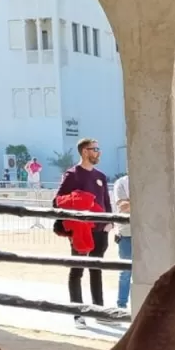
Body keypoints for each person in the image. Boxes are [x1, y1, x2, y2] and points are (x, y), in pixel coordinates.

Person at [54, 138, 114, 329]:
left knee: (96, 269)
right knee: (77, 270)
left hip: (100, 230)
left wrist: (110, 222)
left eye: (99, 148)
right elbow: (58, 201)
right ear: (84, 152)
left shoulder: (101, 176)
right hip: (80, 230)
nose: (98, 152)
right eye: (95, 149)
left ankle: (98, 310)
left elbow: (106, 202)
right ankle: (78, 314)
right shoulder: (72, 175)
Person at [111, 173, 132, 310]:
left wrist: (130, 201)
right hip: (126, 232)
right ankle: (121, 305)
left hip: (146, 230)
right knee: (125, 271)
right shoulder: (121, 182)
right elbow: (123, 206)